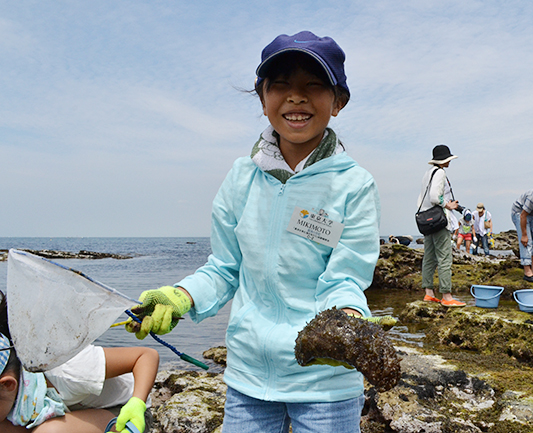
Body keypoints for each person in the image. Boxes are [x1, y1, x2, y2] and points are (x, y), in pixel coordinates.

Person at [124, 32, 382, 433]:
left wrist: (347, 324)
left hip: (324, 382)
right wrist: (182, 296)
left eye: (314, 85)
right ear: (263, 99)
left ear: (338, 101)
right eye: (280, 85)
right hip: (247, 379)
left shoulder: (354, 185)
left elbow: (345, 278)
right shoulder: (240, 178)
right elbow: (225, 268)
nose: (296, 97)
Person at [0, 291, 159, 433]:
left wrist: (137, 404)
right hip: (72, 414)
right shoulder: (22, 391)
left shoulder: (69, 369)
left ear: (8, 384)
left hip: (124, 412)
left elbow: (145, 356)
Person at [418, 144, 466, 307]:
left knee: (429, 258)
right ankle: (446, 296)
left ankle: (429, 293)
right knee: (445, 258)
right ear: (444, 160)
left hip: (427, 221)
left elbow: (423, 198)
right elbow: (434, 197)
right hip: (439, 221)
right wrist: (448, 205)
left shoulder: (428, 173)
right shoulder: (440, 173)